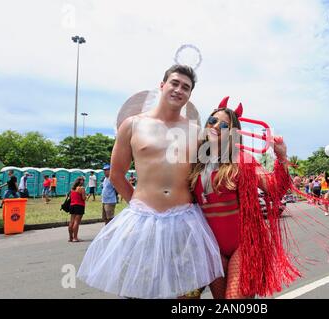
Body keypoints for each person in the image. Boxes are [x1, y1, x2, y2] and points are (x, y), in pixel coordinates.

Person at [77, 65, 223, 299]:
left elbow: (215, 174)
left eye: (186, 87)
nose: (179, 90)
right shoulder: (133, 125)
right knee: (140, 291)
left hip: (185, 222)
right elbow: (116, 173)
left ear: (189, 95)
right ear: (162, 85)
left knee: (187, 295)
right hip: (142, 221)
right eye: (174, 83)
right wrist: (138, 203)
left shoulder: (197, 132)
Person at [188, 98, 300, 299]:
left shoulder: (243, 159)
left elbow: (275, 188)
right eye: (211, 121)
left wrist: (281, 157)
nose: (215, 126)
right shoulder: (196, 161)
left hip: (244, 244)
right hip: (212, 247)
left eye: (223, 125)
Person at [68, 177, 86, 242]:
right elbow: (84, 198)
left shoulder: (72, 189)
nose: (84, 182)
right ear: (81, 182)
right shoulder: (82, 188)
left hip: (72, 205)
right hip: (79, 206)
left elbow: (70, 197)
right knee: (76, 222)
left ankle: (70, 237)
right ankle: (75, 238)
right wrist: (85, 195)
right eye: (83, 181)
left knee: (71, 222)